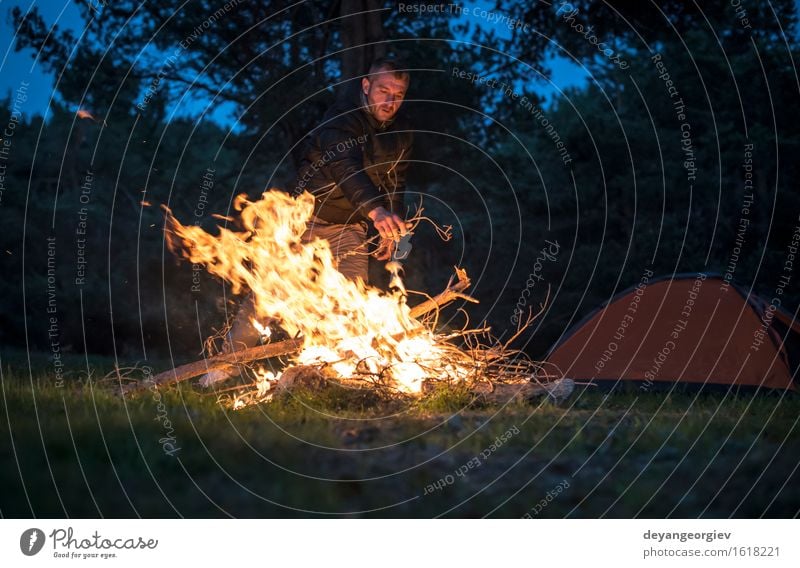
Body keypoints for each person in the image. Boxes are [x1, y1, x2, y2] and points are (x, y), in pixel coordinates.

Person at [199, 58, 414, 387]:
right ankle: (222, 370)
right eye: (383, 90)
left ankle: (335, 378)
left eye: (398, 94)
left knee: (352, 304)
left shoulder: (401, 134)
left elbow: (395, 179)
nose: (390, 101)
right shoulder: (340, 120)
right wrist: (376, 211)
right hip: (305, 223)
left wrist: (392, 221)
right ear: (366, 86)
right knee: (267, 297)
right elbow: (346, 167)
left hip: (349, 229)